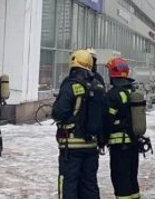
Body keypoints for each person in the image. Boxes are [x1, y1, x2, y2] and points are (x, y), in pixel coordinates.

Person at [52, 49, 101, 199]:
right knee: (89, 184)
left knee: (68, 183)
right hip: (92, 145)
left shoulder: (71, 85)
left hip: (71, 146)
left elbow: (59, 113)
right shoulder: (97, 85)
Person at [104, 57, 141, 199]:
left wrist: (102, 139)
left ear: (112, 74)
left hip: (120, 146)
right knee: (132, 178)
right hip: (134, 143)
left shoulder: (113, 95)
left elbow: (108, 120)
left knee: (120, 180)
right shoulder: (131, 91)